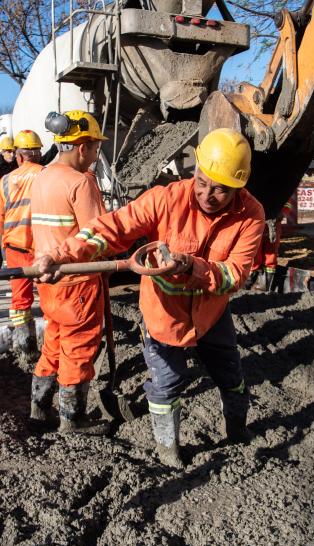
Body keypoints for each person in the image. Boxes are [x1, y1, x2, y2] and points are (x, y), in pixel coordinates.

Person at [34, 128, 265, 467]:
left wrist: (192, 267)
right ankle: (169, 452)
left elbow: (235, 275)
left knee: (232, 378)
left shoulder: (251, 215)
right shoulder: (166, 198)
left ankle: (237, 433)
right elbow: (110, 228)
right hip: (164, 315)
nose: (207, 194)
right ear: (195, 169)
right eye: (202, 181)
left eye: (220, 189)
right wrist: (62, 255)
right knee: (166, 386)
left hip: (212, 313)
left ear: (238, 187)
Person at [28, 110, 108, 435]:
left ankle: (39, 408)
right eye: (94, 147)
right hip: (78, 282)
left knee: (53, 342)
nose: (95, 154)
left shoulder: (43, 176)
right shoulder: (80, 183)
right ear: (81, 146)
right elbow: (99, 236)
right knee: (78, 348)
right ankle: (73, 421)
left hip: (48, 281)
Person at [0, 130, 45, 355]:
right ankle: (53, 348)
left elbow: (0, 220)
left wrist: (5, 250)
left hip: (15, 247)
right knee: (49, 297)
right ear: (38, 153)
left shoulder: (5, 180)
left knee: (19, 299)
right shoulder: (46, 175)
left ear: (19, 155)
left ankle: (25, 348)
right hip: (43, 247)